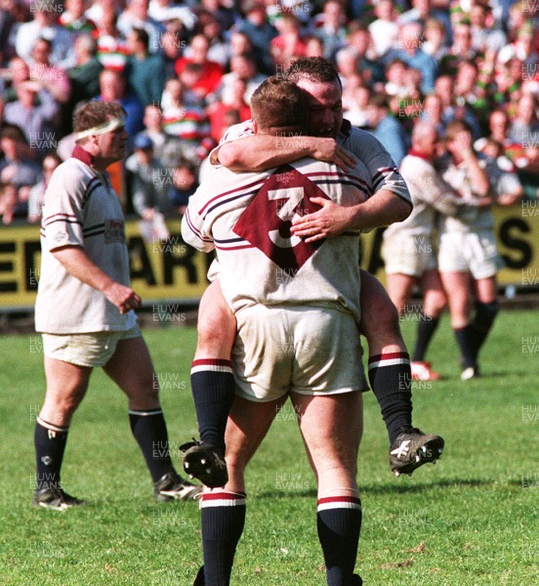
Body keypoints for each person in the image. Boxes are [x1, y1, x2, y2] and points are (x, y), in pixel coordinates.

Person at [181, 57, 444, 489]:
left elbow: (399, 197)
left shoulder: (356, 141)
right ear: (289, 103)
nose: (329, 117)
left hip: (324, 279)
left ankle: (401, 433)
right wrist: (310, 147)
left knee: (380, 309)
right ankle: (209, 442)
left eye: (336, 105)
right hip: (254, 281)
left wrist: (349, 216)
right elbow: (228, 153)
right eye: (317, 107)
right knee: (212, 320)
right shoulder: (247, 134)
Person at [183, 76, 366, 586]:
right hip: (324, 322)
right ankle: (338, 578)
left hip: (255, 325)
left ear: (255, 123)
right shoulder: (345, 169)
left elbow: (194, 236)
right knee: (333, 466)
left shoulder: (225, 170)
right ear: (311, 117)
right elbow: (390, 203)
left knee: (229, 462)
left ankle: (215, 578)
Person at [33, 100, 200, 510]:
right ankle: (47, 490)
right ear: (91, 137)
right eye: (117, 132)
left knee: (145, 388)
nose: (124, 138)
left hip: (110, 312)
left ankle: (166, 481)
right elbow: (62, 246)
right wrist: (110, 286)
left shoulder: (100, 178)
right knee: (65, 398)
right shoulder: (69, 177)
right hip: (76, 312)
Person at [382, 121, 486, 381]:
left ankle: (416, 361)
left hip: (422, 241)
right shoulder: (417, 167)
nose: (439, 147)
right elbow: (447, 203)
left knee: (437, 299)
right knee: (396, 303)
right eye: (434, 142)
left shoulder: (424, 164)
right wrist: (477, 202)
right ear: (418, 141)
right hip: (405, 240)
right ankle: (385, 362)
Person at [437, 120, 503, 380]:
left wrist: (469, 157)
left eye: (468, 138)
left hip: (480, 236)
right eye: (459, 140)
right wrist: (479, 202)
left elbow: (485, 189)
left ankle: (469, 352)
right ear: (449, 143)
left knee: (489, 304)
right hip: (452, 238)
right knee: (460, 300)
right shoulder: (441, 167)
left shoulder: (485, 163)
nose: (465, 144)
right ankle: (471, 364)